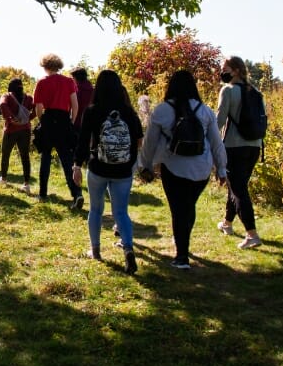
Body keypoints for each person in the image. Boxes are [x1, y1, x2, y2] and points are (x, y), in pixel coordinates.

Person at [137, 70, 228, 270]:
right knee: (188, 206)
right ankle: (183, 246)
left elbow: (150, 143)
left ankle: (182, 256)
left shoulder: (162, 110)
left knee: (178, 209)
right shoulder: (205, 111)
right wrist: (221, 169)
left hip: (173, 166)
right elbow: (216, 143)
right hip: (201, 168)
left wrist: (144, 165)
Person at [72, 70, 144, 274]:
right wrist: (130, 161)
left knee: (96, 210)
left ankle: (95, 251)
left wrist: (77, 165)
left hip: (98, 167)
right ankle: (128, 248)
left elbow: (83, 141)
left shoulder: (93, 110)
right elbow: (139, 140)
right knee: (121, 212)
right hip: (122, 170)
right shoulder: (129, 112)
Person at [215, 56, 264, 248]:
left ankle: (252, 234)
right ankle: (227, 223)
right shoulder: (257, 92)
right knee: (237, 185)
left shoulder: (228, 91)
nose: (222, 71)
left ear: (235, 70)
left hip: (234, 145)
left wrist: (210, 141)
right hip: (254, 145)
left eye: (224, 68)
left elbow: (219, 120)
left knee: (238, 189)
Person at [32, 54, 83, 209]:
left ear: (45, 66)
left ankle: (42, 193)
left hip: (49, 118)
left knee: (45, 157)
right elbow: (75, 105)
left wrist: (43, 121)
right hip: (63, 120)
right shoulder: (68, 81)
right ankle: (76, 194)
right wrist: (71, 122)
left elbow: (39, 108)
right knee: (67, 160)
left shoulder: (42, 82)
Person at [0, 78, 34, 193]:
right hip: (25, 130)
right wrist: (28, 119)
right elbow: (37, 108)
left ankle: (3, 178)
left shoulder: (6, 96)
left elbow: (2, 105)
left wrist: (10, 119)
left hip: (11, 130)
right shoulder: (28, 98)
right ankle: (26, 184)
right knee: (25, 156)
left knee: (5, 154)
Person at [70, 66, 94, 132]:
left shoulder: (75, 91)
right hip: (92, 122)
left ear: (75, 78)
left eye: (73, 78)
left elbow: (73, 107)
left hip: (77, 122)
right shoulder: (93, 90)